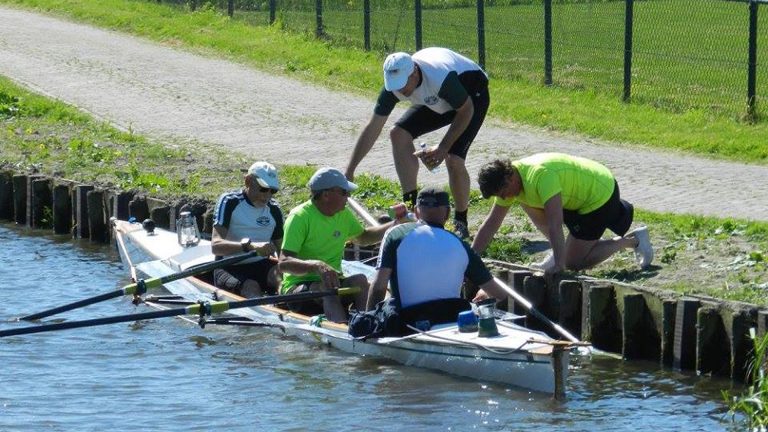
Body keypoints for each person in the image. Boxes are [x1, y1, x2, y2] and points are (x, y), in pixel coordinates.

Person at [345, 47, 490, 239]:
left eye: (403, 85)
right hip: (437, 100)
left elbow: (466, 111)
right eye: (395, 86)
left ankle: (460, 222)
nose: (400, 91)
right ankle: (412, 212)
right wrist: (350, 170)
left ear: (414, 72)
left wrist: (443, 147)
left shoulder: (439, 77)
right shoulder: (395, 87)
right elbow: (373, 127)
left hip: (472, 97)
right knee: (398, 134)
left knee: (453, 159)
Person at [472, 153, 654, 275]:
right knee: (526, 202)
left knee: (573, 262)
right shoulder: (512, 181)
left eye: (502, 192)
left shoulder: (541, 176)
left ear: (509, 177)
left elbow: (555, 223)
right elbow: (491, 224)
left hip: (599, 195)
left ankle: (633, 240)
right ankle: (558, 252)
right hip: (575, 196)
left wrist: (560, 265)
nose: (503, 197)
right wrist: (470, 258)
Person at [365, 187, 509, 330]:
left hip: (408, 324)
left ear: (416, 211)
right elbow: (499, 294)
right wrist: (485, 292)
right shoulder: (461, 244)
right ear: (447, 214)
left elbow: (379, 287)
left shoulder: (395, 234)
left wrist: (368, 324)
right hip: (451, 319)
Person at [278, 167, 396, 323]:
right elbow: (283, 263)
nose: (348, 197)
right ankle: (342, 328)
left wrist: (395, 224)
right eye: (344, 192)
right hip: (298, 288)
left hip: (333, 281)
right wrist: (316, 266)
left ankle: (368, 324)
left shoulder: (343, 214)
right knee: (327, 287)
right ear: (326, 195)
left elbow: (364, 238)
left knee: (360, 280)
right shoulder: (299, 217)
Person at [211, 161, 284, 297]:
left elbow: (283, 252)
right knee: (251, 286)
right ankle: (264, 312)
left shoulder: (274, 210)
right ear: (248, 181)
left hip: (261, 265)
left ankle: (286, 305)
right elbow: (216, 246)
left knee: (281, 278)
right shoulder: (230, 202)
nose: (267, 196)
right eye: (263, 188)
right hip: (229, 266)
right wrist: (250, 247)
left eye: (272, 191)